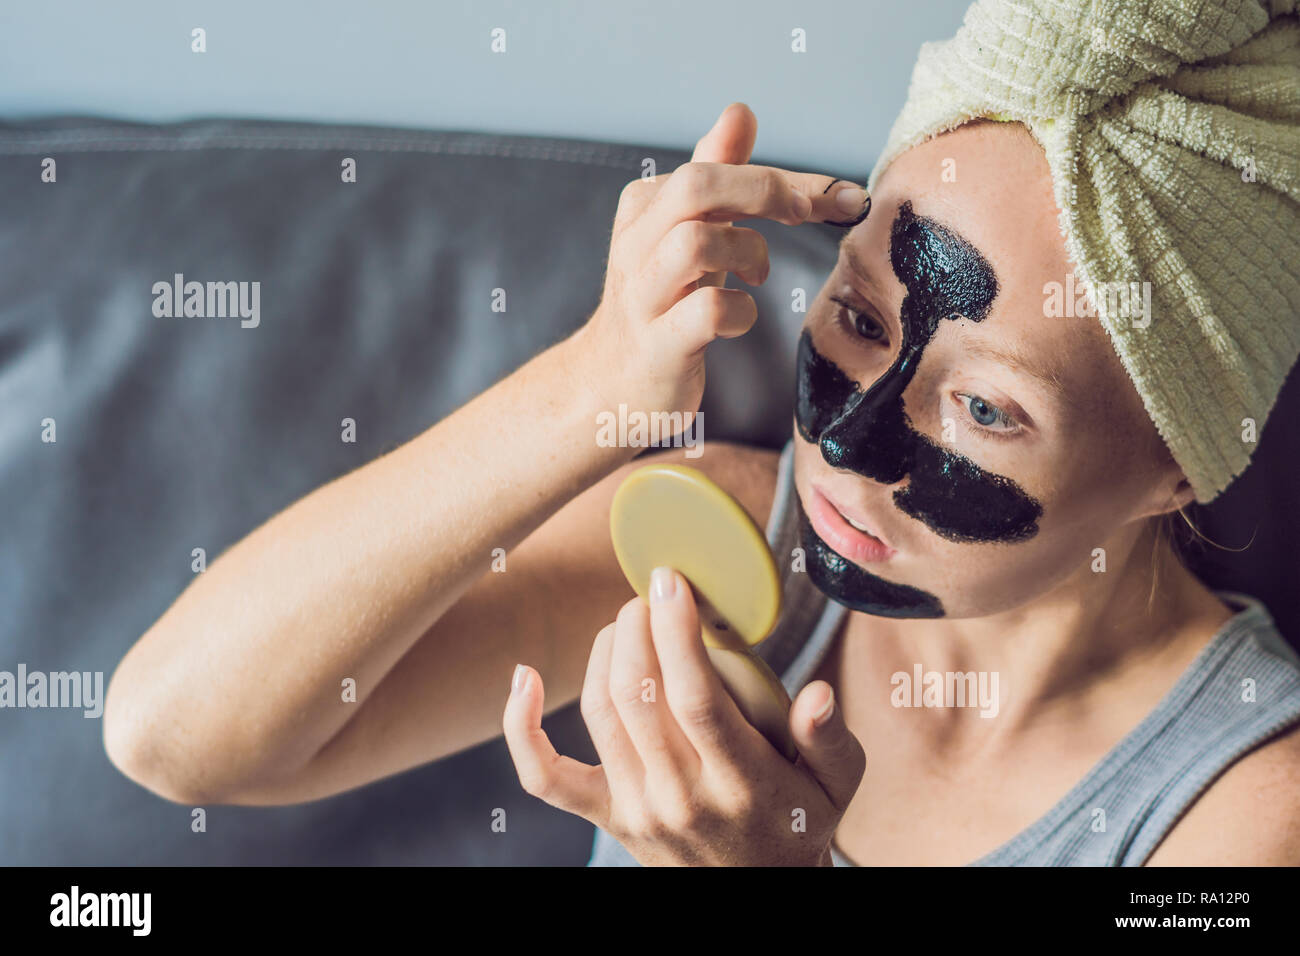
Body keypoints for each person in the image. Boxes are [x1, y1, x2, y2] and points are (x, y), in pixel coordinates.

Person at [104, 0, 1300, 866]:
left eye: (987, 406)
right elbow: (178, 737)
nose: (848, 443)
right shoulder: (735, 551)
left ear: (1179, 463)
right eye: (857, 313)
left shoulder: (1244, 809)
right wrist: (588, 389)